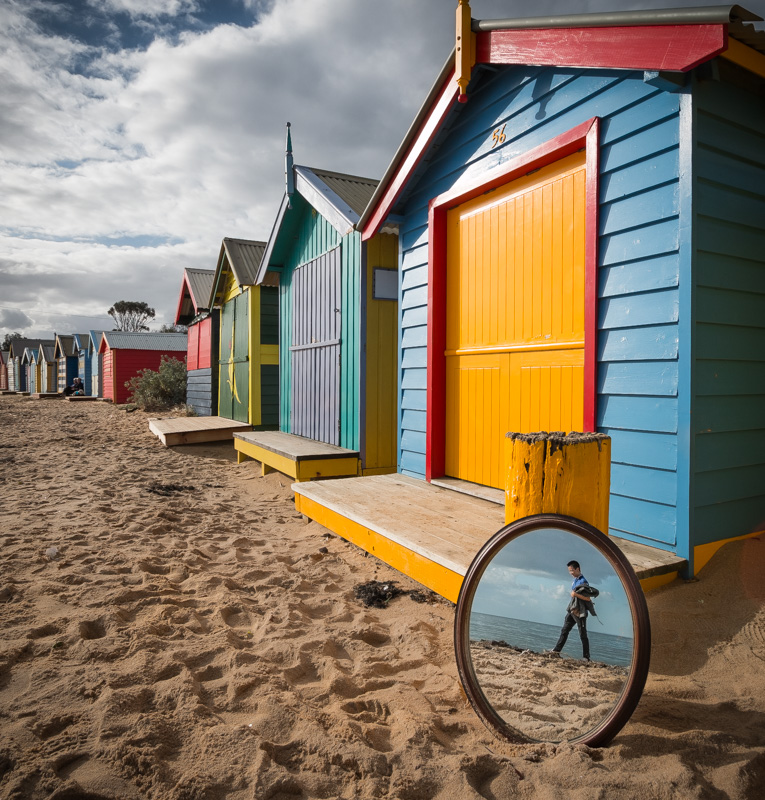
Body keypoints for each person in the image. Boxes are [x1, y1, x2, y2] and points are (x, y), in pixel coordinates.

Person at [548, 560, 593, 662]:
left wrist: (575, 594)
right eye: (569, 571)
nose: (571, 573)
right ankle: (556, 651)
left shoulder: (583, 582)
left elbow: (588, 599)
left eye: (572, 570)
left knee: (583, 634)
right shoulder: (575, 580)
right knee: (564, 630)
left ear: (578, 569)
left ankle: (586, 657)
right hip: (572, 610)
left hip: (580, 612)